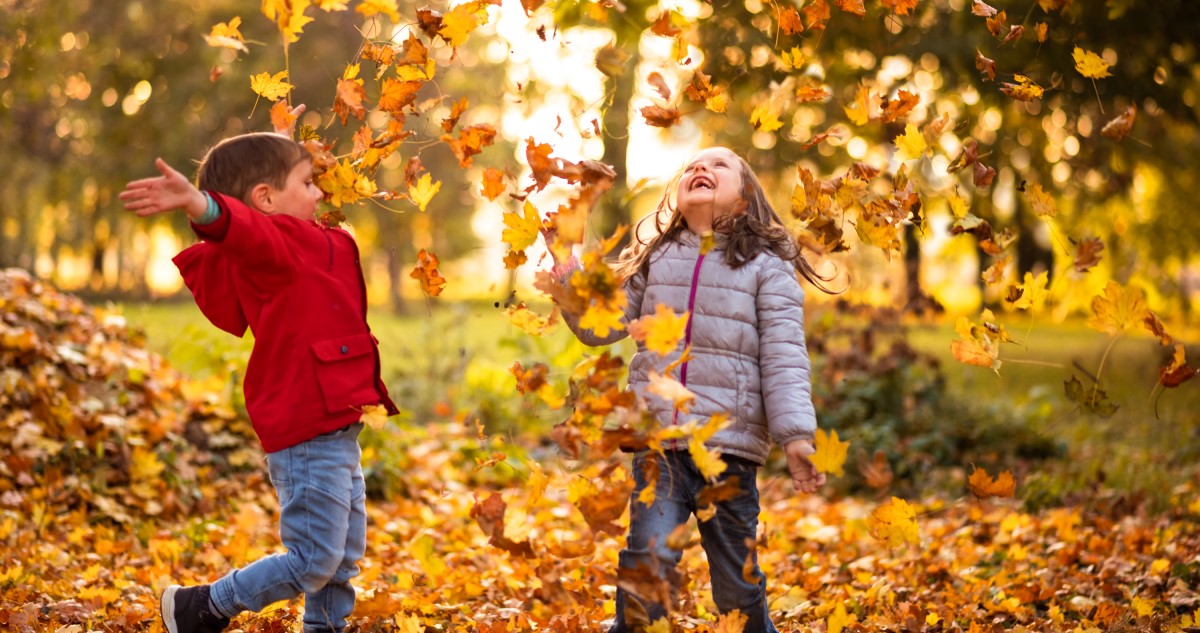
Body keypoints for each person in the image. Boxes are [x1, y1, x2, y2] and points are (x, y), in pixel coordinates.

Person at [119, 110, 398, 633]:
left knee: (340, 558)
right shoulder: (272, 251)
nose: (319, 193)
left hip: (339, 421)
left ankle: (324, 628)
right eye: (307, 183)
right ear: (267, 199)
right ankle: (203, 606)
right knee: (313, 558)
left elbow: (265, 210)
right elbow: (243, 227)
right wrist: (200, 204)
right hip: (306, 426)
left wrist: (283, 147)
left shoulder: (311, 242)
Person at [548, 147, 830, 632]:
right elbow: (599, 325)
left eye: (719, 165)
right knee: (648, 563)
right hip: (659, 445)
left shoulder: (766, 266)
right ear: (676, 193)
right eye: (692, 166)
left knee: (735, 588)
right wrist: (564, 263)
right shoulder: (656, 258)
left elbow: (784, 357)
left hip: (727, 451)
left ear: (746, 197)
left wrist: (796, 436)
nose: (701, 169)